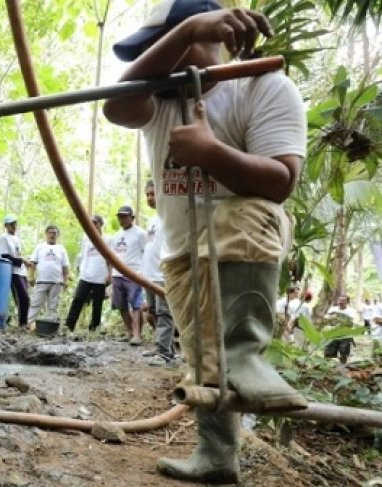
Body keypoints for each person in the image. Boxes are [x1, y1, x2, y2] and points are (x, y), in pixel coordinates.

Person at [103, 0, 308, 482]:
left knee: (237, 218)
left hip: (249, 236)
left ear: (216, 37)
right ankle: (216, 456)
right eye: (156, 49)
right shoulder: (159, 99)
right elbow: (116, 106)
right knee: (200, 357)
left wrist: (211, 153)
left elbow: (281, 180)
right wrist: (188, 30)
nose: (159, 57)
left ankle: (245, 356)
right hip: (182, 252)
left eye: (168, 43)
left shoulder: (264, 86)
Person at [140, 181, 177, 366]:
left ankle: (164, 353)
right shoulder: (152, 220)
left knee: (164, 313)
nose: (150, 198)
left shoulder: (171, 216)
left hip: (163, 275)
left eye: (153, 194)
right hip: (149, 275)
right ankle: (166, 349)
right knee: (154, 312)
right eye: (147, 194)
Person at [108, 205, 147, 345]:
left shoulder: (140, 234)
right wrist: (110, 274)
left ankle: (137, 335)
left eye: (125, 216)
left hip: (134, 274)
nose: (122, 219)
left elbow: (146, 253)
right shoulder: (115, 236)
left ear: (132, 217)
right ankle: (130, 332)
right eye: (120, 216)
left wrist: (143, 274)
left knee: (136, 305)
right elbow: (112, 256)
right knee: (121, 305)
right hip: (117, 275)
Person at [65, 215, 110, 333]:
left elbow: (111, 259)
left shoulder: (108, 239)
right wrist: (79, 270)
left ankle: (94, 329)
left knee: (97, 304)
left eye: (95, 223)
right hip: (85, 276)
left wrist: (109, 275)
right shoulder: (86, 238)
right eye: (91, 223)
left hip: (100, 277)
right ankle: (69, 326)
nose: (92, 225)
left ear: (101, 224)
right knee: (78, 300)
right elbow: (82, 255)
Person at [28, 225, 70, 325]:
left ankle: (49, 326)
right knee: (36, 303)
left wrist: (65, 280)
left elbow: (65, 266)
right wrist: (31, 276)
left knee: (53, 305)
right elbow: (32, 262)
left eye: (54, 233)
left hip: (56, 282)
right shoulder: (40, 247)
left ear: (57, 235)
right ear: (46, 234)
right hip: (42, 280)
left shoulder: (61, 249)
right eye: (50, 233)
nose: (52, 235)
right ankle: (29, 324)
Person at [0, 215, 31, 328]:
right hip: (12, 271)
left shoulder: (16, 238)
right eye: (11, 224)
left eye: (15, 224)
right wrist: (22, 260)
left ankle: (23, 322)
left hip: (21, 271)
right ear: (6, 226)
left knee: (23, 298)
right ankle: (23, 323)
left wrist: (25, 260)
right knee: (23, 297)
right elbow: (4, 255)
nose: (14, 226)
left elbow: (17, 253)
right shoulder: (3, 238)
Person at [323, 295, 359, 364]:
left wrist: (337, 319)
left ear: (347, 302)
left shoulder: (351, 311)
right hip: (332, 334)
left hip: (345, 335)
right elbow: (327, 320)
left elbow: (350, 323)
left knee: (344, 354)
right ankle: (327, 368)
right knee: (328, 353)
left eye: (343, 301)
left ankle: (342, 367)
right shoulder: (332, 309)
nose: (340, 302)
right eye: (339, 300)